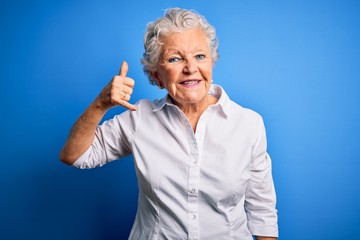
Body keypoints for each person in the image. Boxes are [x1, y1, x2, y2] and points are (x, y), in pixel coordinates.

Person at [60, 7, 278, 240]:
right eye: (175, 59)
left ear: (212, 63)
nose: (191, 68)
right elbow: (74, 155)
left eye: (200, 56)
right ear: (156, 77)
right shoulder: (139, 118)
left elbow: (262, 212)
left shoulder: (248, 124)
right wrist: (100, 105)